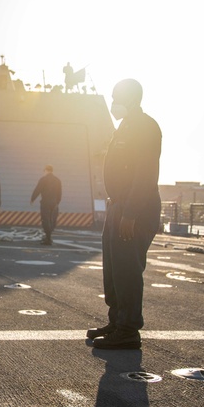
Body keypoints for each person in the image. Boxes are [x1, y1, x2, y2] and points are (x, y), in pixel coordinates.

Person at [89, 78, 162, 351]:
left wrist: (130, 212)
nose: (112, 104)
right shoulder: (127, 127)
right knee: (114, 270)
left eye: (115, 98)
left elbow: (145, 173)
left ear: (130, 99)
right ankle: (116, 322)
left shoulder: (145, 127)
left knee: (127, 270)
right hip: (118, 205)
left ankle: (129, 330)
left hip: (136, 208)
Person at [31, 165, 63, 245]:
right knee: (52, 220)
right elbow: (60, 193)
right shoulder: (57, 180)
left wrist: (32, 199)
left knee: (45, 219)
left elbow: (38, 189)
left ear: (46, 170)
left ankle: (48, 238)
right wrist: (57, 202)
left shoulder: (43, 179)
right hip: (54, 203)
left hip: (45, 202)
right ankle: (49, 237)